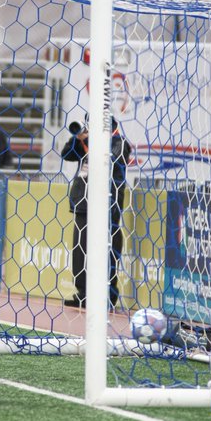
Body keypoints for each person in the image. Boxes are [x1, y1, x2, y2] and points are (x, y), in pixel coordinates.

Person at [60, 118, 131, 310]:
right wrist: (80, 139)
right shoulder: (87, 141)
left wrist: (94, 142)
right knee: (80, 249)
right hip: (83, 200)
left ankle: (107, 296)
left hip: (108, 202)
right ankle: (83, 294)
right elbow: (66, 154)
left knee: (108, 250)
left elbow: (111, 160)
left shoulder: (120, 142)